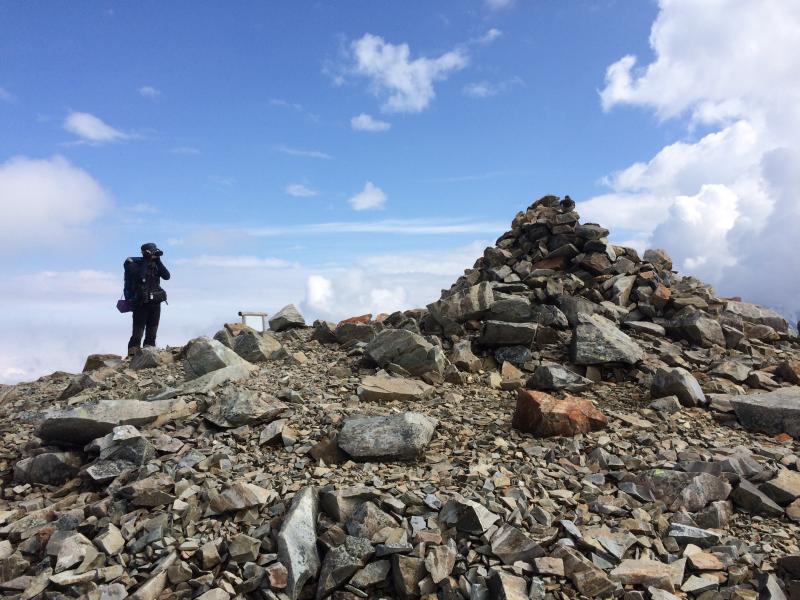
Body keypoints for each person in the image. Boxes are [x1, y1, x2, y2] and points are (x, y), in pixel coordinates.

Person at [124, 243, 170, 355]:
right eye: (151, 252)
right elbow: (141, 277)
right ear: (144, 252)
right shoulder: (133, 264)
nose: (153, 254)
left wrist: (158, 261)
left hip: (155, 303)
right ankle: (132, 357)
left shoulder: (156, 264)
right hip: (140, 304)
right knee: (137, 334)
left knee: (152, 334)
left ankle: (149, 356)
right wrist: (146, 260)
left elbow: (167, 276)